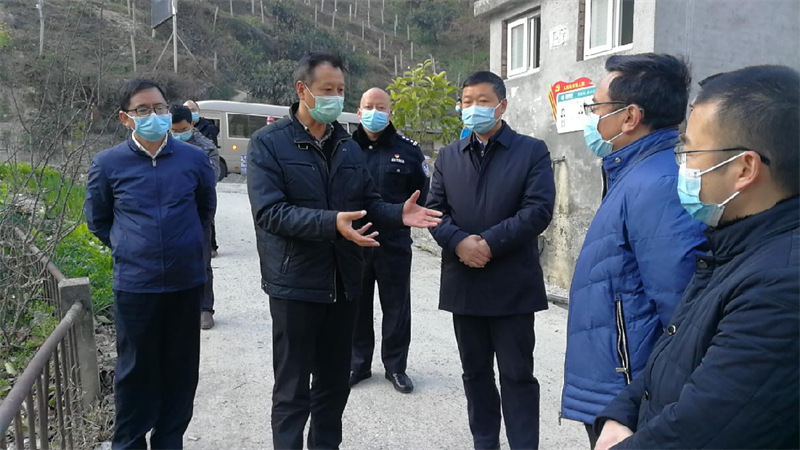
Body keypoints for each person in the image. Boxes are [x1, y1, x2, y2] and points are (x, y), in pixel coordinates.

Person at [593, 64, 800, 450]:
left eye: (689, 150)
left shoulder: (781, 285)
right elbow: (674, 352)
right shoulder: (732, 246)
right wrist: (621, 413)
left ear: (745, 168)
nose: (682, 165)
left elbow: (704, 427)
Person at [246, 52, 442, 450]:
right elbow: (270, 212)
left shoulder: (347, 146)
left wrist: (398, 214)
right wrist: (331, 222)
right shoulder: (269, 143)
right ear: (302, 90)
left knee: (334, 386)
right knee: (292, 389)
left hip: (343, 284)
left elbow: (368, 203)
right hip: (295, 285)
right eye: (327, 90)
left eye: (340, 90)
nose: (335, 98)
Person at [560, 54, 707, 449]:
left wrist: (646, 401)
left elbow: (680, 312)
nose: (592, 118)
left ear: (629, 117)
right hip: (620, 386)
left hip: (633, 393)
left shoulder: (657, 185)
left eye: (596, 107)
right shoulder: (633, 173)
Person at [427, 71, 555, 450]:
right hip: (464, 284)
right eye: (467, 101)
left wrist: (488, 243)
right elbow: (435, 212)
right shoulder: (449, 156)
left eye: (482, 101)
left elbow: (537, 210)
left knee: (517, 375)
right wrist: (459, 243)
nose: (473, 108)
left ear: (501, 105)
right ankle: (485, 442)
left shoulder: (531, 151)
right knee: (475, 373)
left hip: (512, 286)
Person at [85, 79, 216, 450]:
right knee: (135, 371)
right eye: (143, 110)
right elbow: (98, 220)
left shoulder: (194, 159)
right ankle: (129, 442)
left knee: (181, 370)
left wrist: (183, 244)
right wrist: (129, 246)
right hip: (135, 285)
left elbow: (205, 210)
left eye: (159, 108)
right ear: (126, 118)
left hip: (185, 282)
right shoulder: (108, 164)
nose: (154, 115)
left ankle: (169, 440)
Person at [349, 88, 430, 394]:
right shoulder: (345, 148)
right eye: (369, 107)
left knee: (396, 307)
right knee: (356, 307)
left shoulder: (408, 151)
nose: (375, 112)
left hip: (394, 243)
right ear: (359, 112)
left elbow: (422, 193)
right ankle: (358, 364)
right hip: (355, 240)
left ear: (390, 112)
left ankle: (395, 367)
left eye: (381, 107)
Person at [171, 104, 221, 330]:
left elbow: (210, 180)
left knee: (202, 263)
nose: (177, 134)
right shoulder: (161, 145)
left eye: (182, 129)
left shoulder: (206, 148)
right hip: (169, 214)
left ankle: (205, 308)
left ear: (191, 124)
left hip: (197, 213)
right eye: (173, 131)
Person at [185, 99, 221, 257]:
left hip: (201, 186)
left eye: (193, 109)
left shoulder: (207, 131)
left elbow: (211, 172)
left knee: (206, 216)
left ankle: (211, 246)